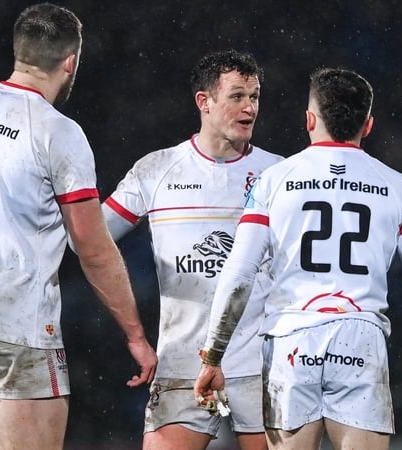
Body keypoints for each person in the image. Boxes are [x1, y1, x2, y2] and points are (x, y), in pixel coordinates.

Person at [0, 4, 157, 449]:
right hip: (12, 323)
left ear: (18, 52)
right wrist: (135, 334)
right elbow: (92, 247)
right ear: (71, 62)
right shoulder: (56, 131)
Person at [194, 67, 402, 450]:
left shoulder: (272, 181)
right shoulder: (399, 188)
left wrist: (213, 355)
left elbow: (239, 271)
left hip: (290, 339)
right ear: (368, 125)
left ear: (310, 120)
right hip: (360, 335)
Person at [102, 49, 282, 450]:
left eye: (254, 96)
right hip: (184, 361)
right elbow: (92, 241)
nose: (249, 107)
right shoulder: (157, 169)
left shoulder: (279, 174)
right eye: (237, 96)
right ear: (204, 101)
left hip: (263, 367)